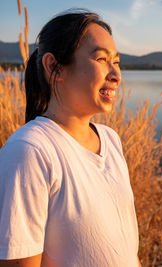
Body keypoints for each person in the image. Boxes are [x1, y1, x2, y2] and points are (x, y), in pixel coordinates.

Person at [0, 9, 140, 267]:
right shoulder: (30, 150)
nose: (116, 75)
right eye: (101, 59)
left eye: (117, 62)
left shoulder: (110, 139)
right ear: (54, 67)